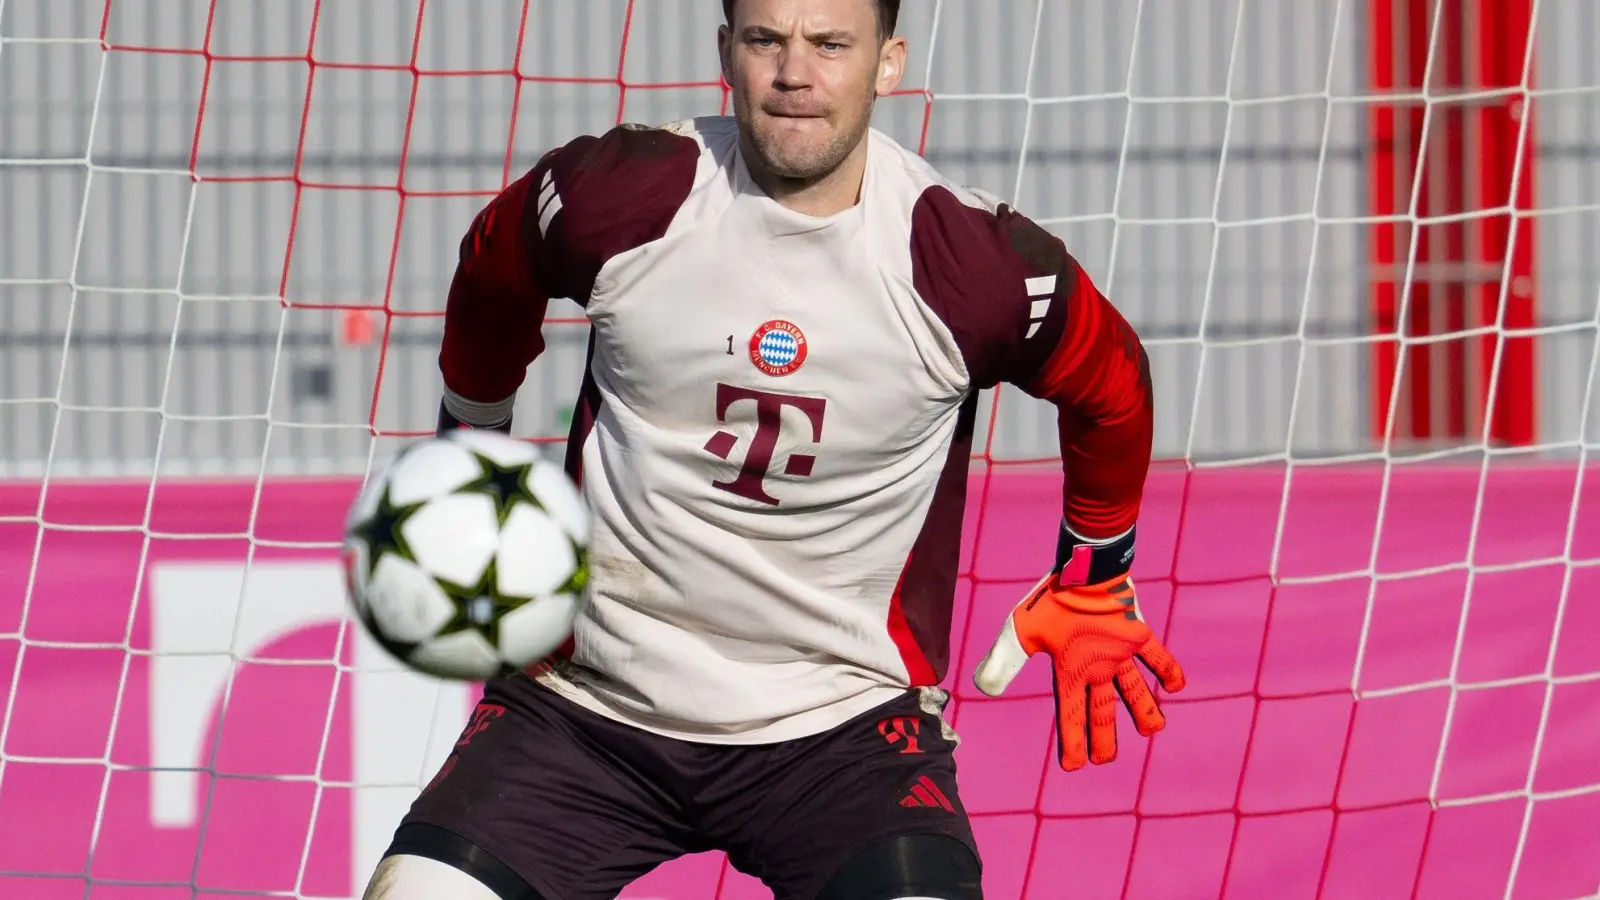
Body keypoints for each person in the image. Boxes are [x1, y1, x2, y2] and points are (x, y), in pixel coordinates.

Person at [363, 0, 1186, 897]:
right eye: (767, 40)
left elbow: (1112, 384)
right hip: (586, 710)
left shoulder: (965, 262)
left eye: (832, 45)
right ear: (727, 51)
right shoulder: (625, 195)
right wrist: (471, 446)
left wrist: (1096, 571)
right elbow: (495, 263)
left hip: (843, 733)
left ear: (888, 64)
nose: (796, 73)